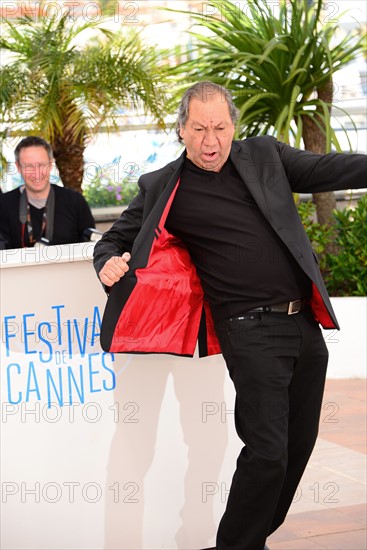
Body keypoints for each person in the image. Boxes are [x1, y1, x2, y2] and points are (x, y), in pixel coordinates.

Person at [93, 82, 367, 550]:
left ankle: (248, 538)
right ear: (181, 130)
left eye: (219, 127)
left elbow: (327, 169)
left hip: (303, 326)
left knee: (295, 450)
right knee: (267, 452)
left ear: (233, 126)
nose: (210, 140)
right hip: (247, 330)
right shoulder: (164, 186)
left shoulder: (265, 156)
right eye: (198, 128)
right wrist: (107, 262)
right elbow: (113, 239)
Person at [0, 136, 95, 249]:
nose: (37, 173)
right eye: (29, 166)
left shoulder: (75, 202)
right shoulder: (3, 205)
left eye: (41, 165)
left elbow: (91, 249)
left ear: (50, 164)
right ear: (18, 167)